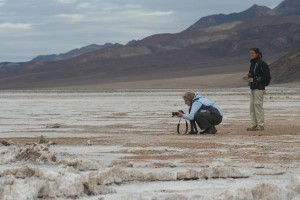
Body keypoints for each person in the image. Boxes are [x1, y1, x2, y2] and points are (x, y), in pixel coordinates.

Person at [245, 47, 270, 131]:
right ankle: (254, 124)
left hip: (259, 88)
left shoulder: (262, 63)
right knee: (252, 106)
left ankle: (260, 125)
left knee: (258, 106)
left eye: (253, 53)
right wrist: (249, 77)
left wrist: (255, 80)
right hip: (252, 87)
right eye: (250, 53)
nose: (251, 55)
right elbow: (252, 74)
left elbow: (266, 76)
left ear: (257, 54)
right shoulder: (252, 63)